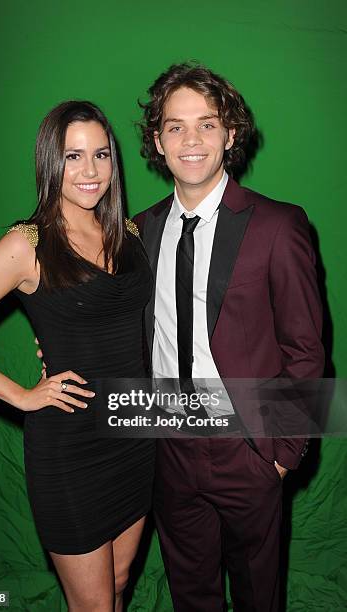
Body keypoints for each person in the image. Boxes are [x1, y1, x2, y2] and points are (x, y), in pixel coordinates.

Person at [0, 100, 155, 612]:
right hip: (71, 446)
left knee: (121, 581)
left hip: (135, 435)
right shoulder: (26, 244)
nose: (90, 171)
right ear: (49, 163)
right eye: (73, 156)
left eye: (101, 155)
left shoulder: (128, 234)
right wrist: (21, 395)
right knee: (94, 604)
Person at [132, 63, 325, 611]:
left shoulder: (278, 225)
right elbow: (122, 325)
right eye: (175, 126)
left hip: (249, 443)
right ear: (157, 139)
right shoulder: (139, 231)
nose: (191, 140)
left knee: (257, 592)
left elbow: (305, 347)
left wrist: (284, 452)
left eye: (207, 125)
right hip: (167, 441)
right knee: (190, 592)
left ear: (230, 135)